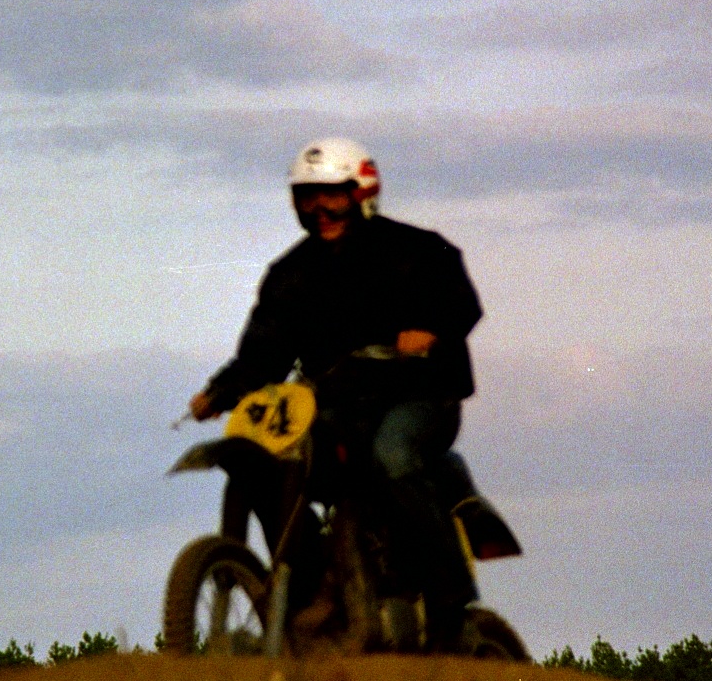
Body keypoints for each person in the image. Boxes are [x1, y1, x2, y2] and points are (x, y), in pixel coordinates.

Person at [187, 136, 515, 649]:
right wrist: (221, 391)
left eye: (331, 196)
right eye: (306, 198)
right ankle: (313, 590)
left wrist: (429, 330)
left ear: (362, 192)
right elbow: (265, 351)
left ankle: (449, 598)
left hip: (419, 396)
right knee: (268, 462)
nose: (319, 210)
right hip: (336, 407)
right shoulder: (290, 275)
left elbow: (459, 302)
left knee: (392, 454)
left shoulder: (416, 250)